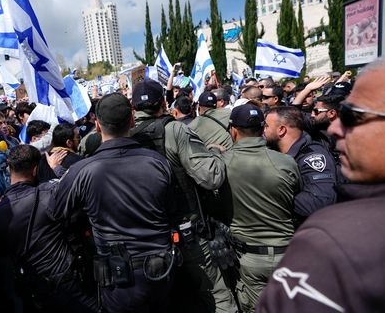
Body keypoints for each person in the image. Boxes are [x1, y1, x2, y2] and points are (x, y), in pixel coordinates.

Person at [257, 46, 385, 312]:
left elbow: (317, 202)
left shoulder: (330, 243)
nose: (334, 128)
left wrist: (272, 193)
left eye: (353, 117)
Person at [50, 93, 176, 312]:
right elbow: (172, 209)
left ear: (97, 126)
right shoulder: (158, 162)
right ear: (132, 121)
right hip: (160, 273)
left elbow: (55, 212)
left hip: (121, 282)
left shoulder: (81, 171)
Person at [130, 80, 230, 312]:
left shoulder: (123, 139)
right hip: (187, 230)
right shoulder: (174, 129)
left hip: (147, 240)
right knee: (216, 295)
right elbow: (211, 177)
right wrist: (214, 152)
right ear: (164, 103)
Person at [0, 145, 97, 312]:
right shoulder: (49, 193)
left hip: (36, 290)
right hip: (71, 283)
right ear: (35, 170)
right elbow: (78, 187)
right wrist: (57, 169)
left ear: (10, 169)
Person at [222, 104, 301, 312]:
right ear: (262, 129)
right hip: (287, 254)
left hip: (250, 259)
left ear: (233, 130)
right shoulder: (286, 162)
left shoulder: (223, 164)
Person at [264, 106, 338, 226]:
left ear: (281, 130)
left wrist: (269, 199)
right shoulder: (274, 151)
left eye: (266, 126)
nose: (263, 131)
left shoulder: (313, 157)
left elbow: (319, 201)